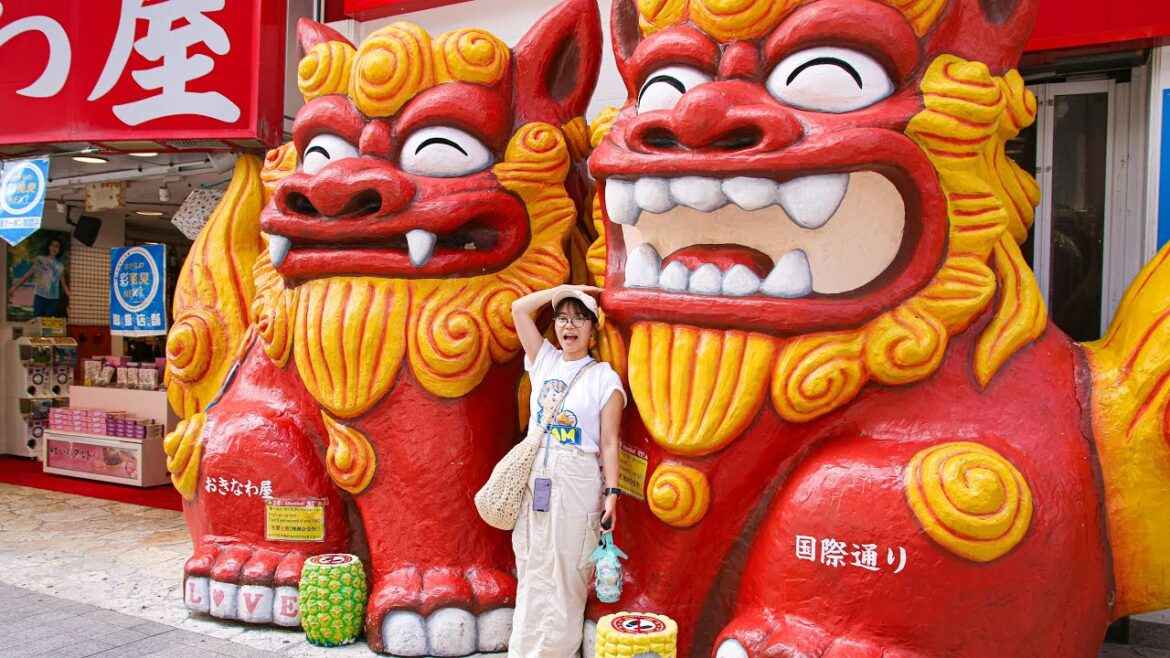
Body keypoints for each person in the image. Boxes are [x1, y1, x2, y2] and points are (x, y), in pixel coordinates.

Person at [508, 283, 625, 657]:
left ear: (593, 328)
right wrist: (563, 288)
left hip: (578, 476)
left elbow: (609, 442)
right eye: (562, 318)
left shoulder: (604, 378)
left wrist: (613, 496)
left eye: (578, 319)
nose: (568, 326)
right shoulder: (544, 360)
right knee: (531, 565)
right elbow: (519, 310)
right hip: (537, 475)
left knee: (566, 573)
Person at [9, 237, 69, 317]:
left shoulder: (60, 265)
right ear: (49, 247)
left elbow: (63, 284)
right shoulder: (40, 259)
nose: (54, 248)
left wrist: (70, 296)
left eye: (57, 246)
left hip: (53, 299)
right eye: (52, 245)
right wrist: (14, 288)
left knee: (47, 324)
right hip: (40, 295)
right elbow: (29, 274)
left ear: (59, 249)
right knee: (37, 321)